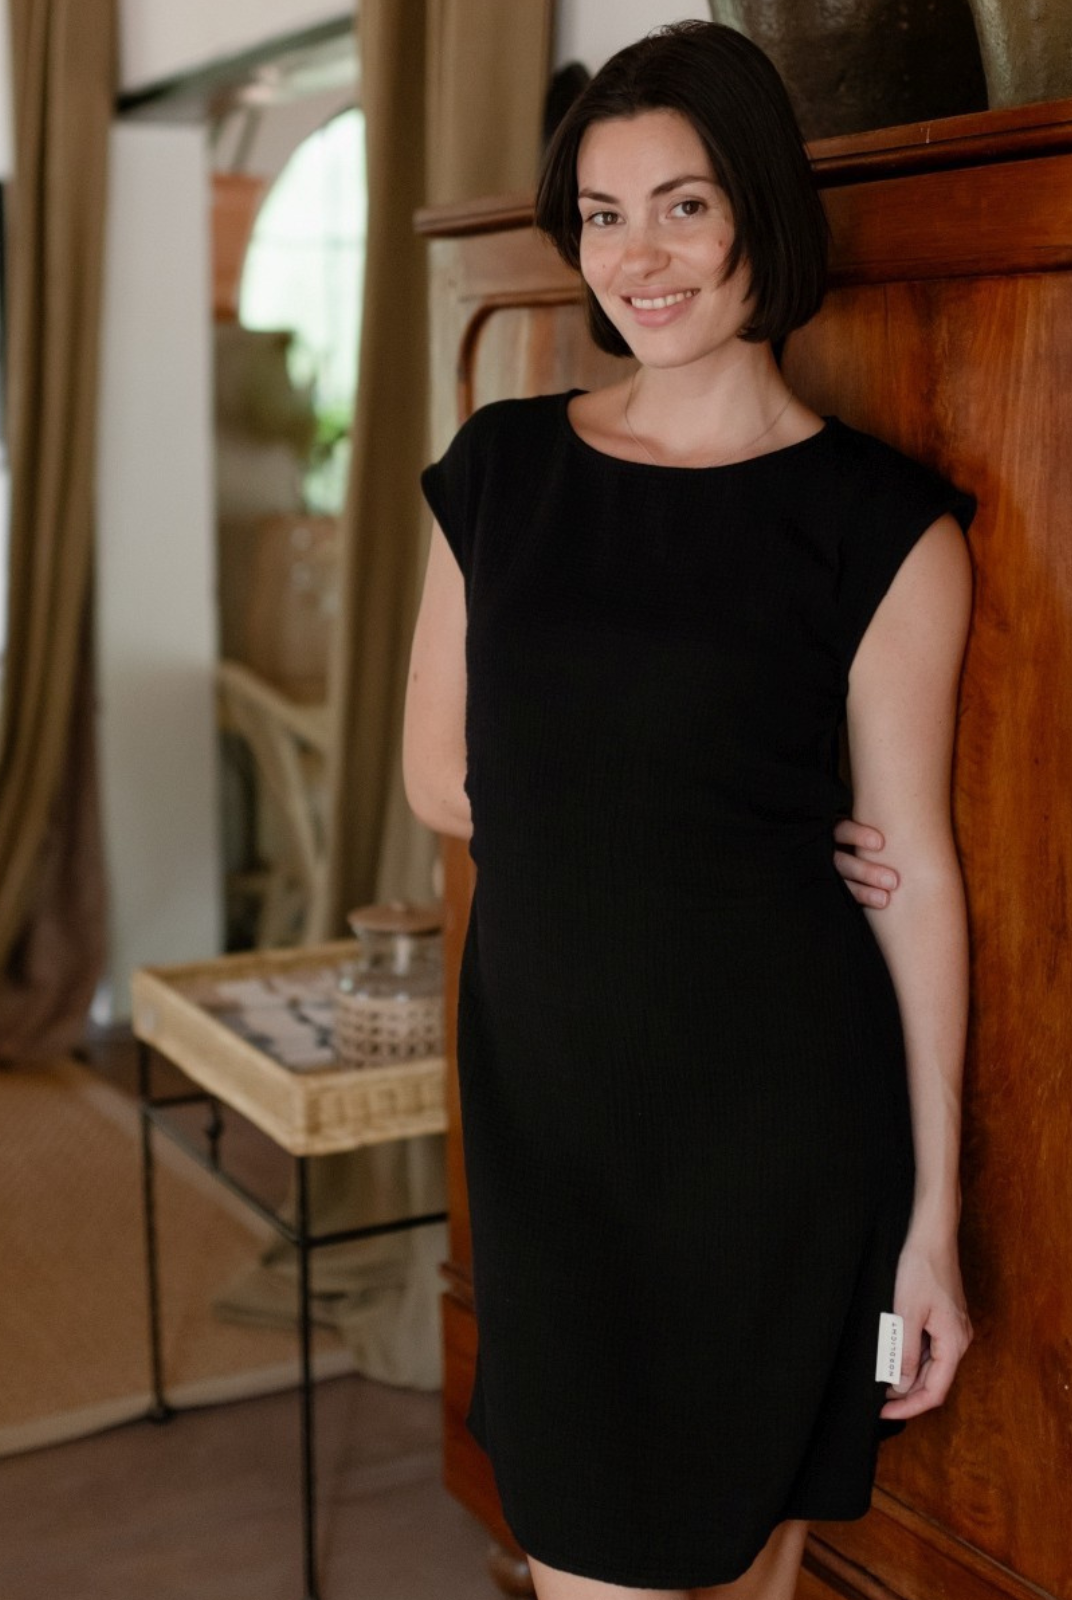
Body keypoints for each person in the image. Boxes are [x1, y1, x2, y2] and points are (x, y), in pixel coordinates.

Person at [404, 20, 975, 1598]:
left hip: (783, 1135)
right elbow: (438, 775)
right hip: (557, 1133)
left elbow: (915, 874)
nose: (636, 259)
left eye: (684, 206)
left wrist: (933, 1224)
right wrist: (695, 819)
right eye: (603, 215)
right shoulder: (501, 473)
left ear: (759, 217)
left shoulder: (882, 526)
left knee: (749, 1568)